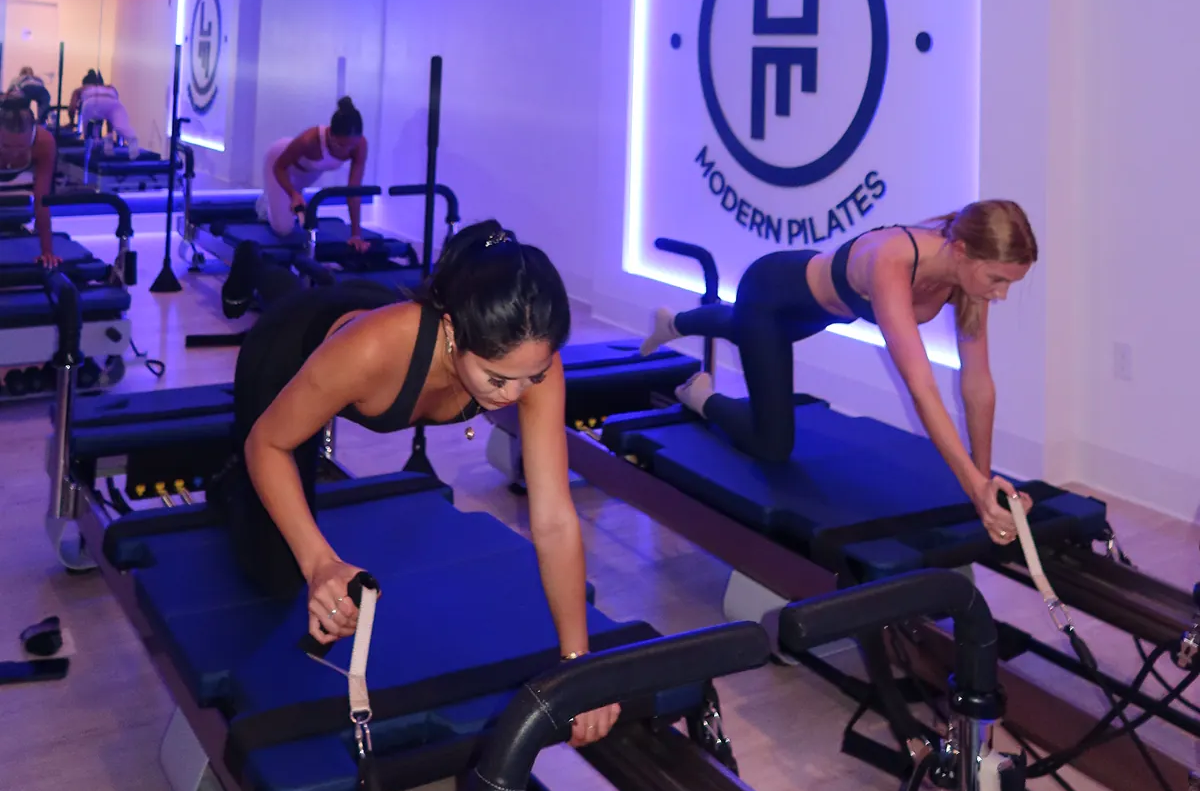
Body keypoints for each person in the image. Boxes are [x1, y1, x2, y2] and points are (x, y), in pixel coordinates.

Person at [214, 220, 620, 749]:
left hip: (367, 313)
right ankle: (259, 272)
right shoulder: (372, 353)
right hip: (293, 344)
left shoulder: (531, 364)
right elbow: (267, 445)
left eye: (531, 378)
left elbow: (554, 519)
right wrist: (319, 564)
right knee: (274, 569)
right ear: (454, 331)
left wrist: (576, 665)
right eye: (498, 379)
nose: (517, 393)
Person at [641, 200, 1037, 548]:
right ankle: (699, 393)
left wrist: (983, 484)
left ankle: (672, 321)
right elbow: (922, 387)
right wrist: (974, 487)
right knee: (772, 445)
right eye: (998, 280)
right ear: (964, 251)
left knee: (737, 325)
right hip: (770, 291)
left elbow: (978, 384)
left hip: (813, 314)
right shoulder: (892, 261)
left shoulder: (969, 279)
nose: (1000, 294)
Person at [258, 97, 370, 247]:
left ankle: (276, 199)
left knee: (293, 209)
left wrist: (356, 235)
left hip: (310, 171)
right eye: (342, 145)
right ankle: (265, 204)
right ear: (330, 133)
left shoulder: (360, 145)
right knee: (283, 229)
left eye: (351, 145)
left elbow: (353, 192)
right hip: (280, 162)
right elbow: (279, 167)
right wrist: (293, 193)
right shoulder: (309, 140)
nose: (347, 150)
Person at [0, 96, 60, 266]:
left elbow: (42, 200)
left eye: (21, 148)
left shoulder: (44, 142)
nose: (13, 154)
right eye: (7, 146)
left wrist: (47, 251)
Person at [75, 75, 139, 154]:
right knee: (120, 125)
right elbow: (111, 114)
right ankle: (127, 139)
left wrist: (71, 122)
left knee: (90, 125)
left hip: (91, 102)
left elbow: (71, 108)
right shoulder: (110, 88)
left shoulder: (83, 88)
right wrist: (110, 132)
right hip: (113, 102)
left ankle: (94, 143)